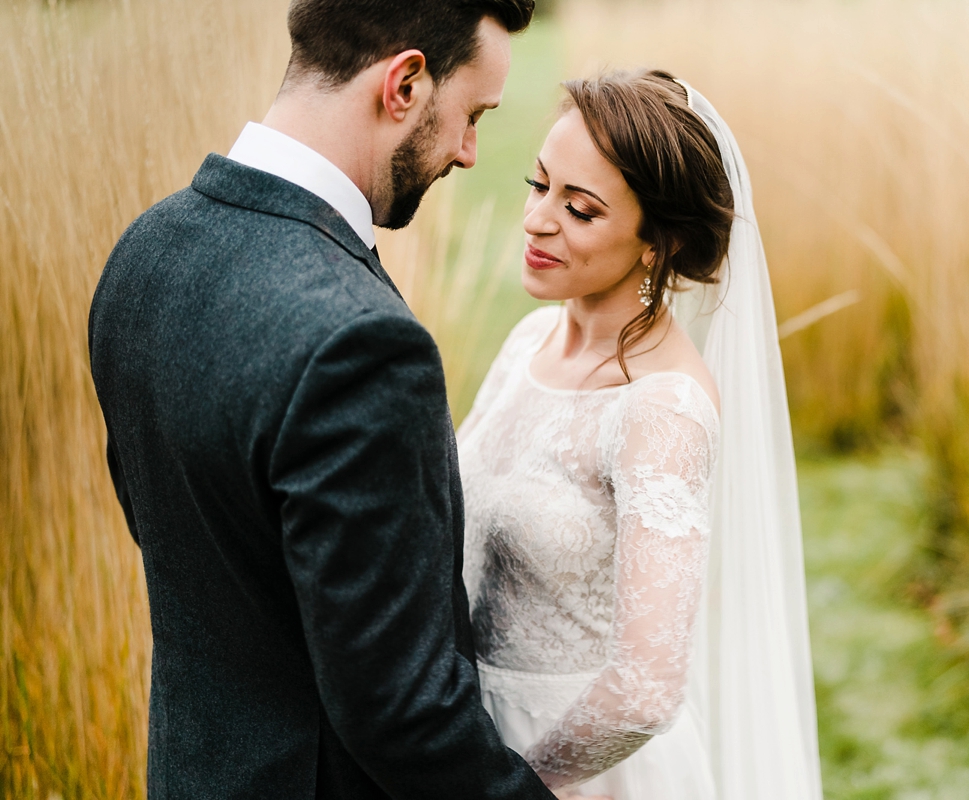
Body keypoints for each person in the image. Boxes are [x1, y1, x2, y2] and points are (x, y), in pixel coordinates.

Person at [88, 1, 569, 797]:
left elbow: (171, 536)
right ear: (405, 83)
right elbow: (403, 709)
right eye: (471, 115)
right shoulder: (362, 345)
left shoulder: (147, 252)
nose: (471, 152)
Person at [457, 70, 826, 800]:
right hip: (469, 737)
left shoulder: (663, 410)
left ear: (658, 243)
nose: (537, 220)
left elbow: (647, 686)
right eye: (540, 186)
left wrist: (518, 786)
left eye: (581, 209)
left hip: (578, 773)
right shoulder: (529, 340)